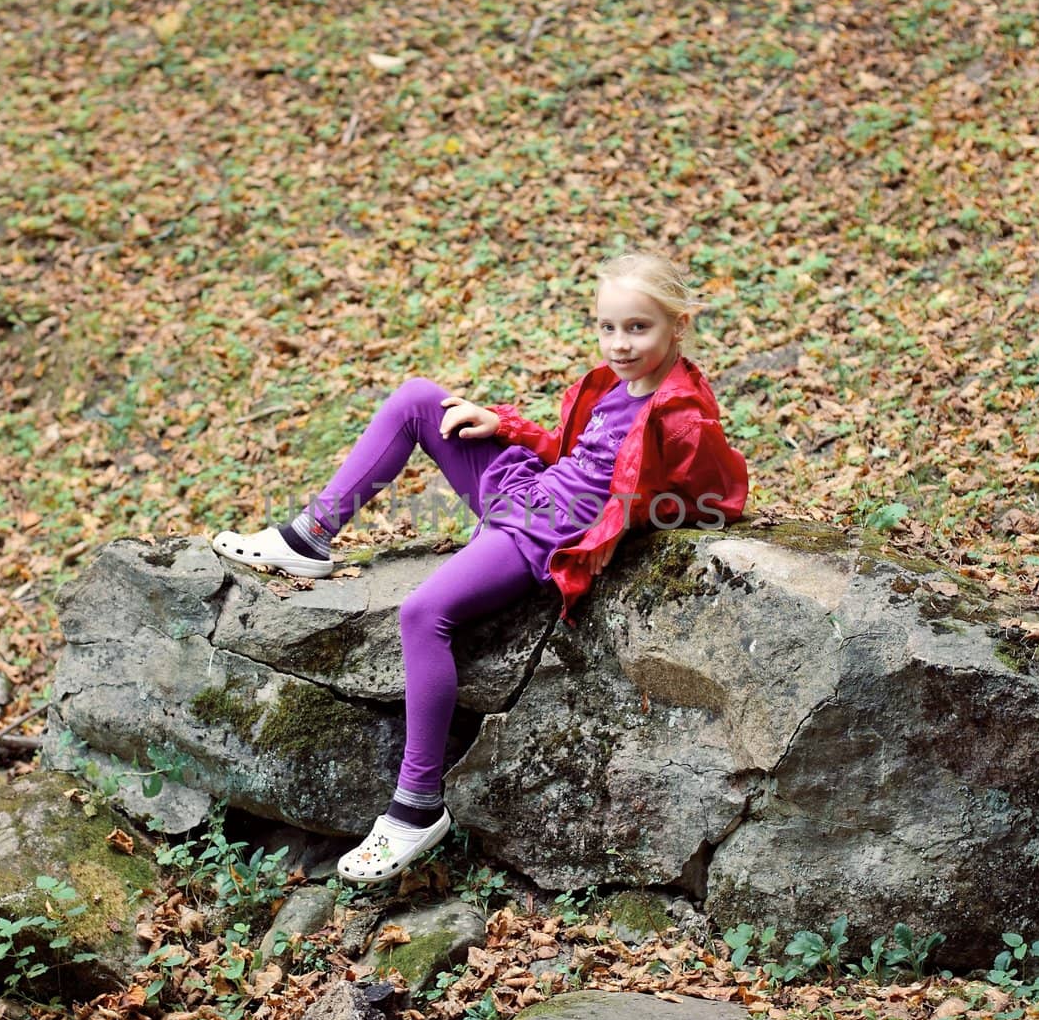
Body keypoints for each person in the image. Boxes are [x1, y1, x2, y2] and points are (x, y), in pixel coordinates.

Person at [212, 252, 748, 883]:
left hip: (543, 535)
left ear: (677, 325)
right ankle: (311, 535)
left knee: (423, 614)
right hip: (534, 489)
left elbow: (717, 497)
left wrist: (619, 526)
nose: (619, 344)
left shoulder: (680, 413)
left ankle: (415, 806)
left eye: (638, 329)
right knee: (419, 400)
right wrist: (507, 425)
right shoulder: (612, 384)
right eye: (608, 327)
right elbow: (579, 453)